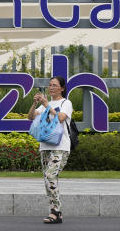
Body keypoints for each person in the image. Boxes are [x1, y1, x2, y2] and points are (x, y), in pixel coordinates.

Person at [28, 75, 73, 223]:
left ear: (62, 88)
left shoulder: (66, 103)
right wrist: (35, 104)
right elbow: (30, 117)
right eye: (50, 85)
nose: (51, 87)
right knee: (48, 179)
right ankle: (55, 213)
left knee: (50, 175)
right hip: (45, 146)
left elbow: (60, 118)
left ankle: (55, 211)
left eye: (54, 85)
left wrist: (47, 104)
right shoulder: (44, 105)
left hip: (61, 147)